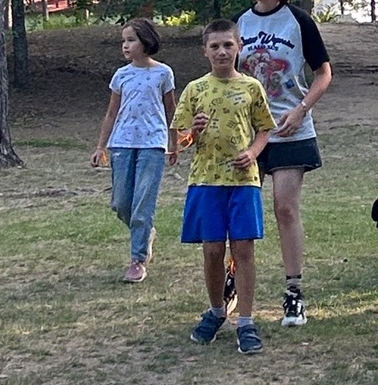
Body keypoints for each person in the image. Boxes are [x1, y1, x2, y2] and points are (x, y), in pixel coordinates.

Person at [237, 0, 333, 327]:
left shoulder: (298, 21)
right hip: (247, 133)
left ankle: (293, 293)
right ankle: (234, 282)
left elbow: (324, 73)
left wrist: (301, 110)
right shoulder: (239, 23)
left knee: (284, 208)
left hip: (290, 129)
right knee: (241, 212)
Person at [175, 18, 274, 355]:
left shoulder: (251, 88)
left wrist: (253, 152)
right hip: (206, 180)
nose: (221, 51)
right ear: (205, 51)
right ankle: (217, 309)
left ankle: (245, 320)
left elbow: (264, 129)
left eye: (227, 45)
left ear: (239, 47)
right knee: (213, 250)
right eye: (214, 46)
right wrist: (194, 133)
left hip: (243, 181)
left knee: (243, 249)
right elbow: (180, 140)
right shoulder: (194, 90)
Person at [92, 19, 177, 284]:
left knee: (142, 204)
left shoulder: (164, 73)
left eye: (131, 40)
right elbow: (111, 113)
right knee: (121, 203)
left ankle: (137, 260)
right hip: (122, 144)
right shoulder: (121, 75)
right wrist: (100, 146)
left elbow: (171, 111)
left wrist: (174, 144)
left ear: (146, 41)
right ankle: (145, 232)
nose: (125, 45)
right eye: (123, 41)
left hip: (153, 143)